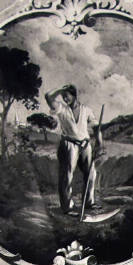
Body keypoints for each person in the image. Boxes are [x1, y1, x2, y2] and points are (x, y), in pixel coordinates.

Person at [45, 84, 103, 214]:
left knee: (91, 174)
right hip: (68, 145)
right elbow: (48, 96)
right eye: (63, 96)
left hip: (85, 145)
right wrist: (61, 89)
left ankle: (89, 202)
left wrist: (100, 143)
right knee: (67, 176)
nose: (65, 98)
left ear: (74, 95)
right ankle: (67, 207)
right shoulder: (61, 109)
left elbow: (96, 128)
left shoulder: (86, 110)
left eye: (67, 95)